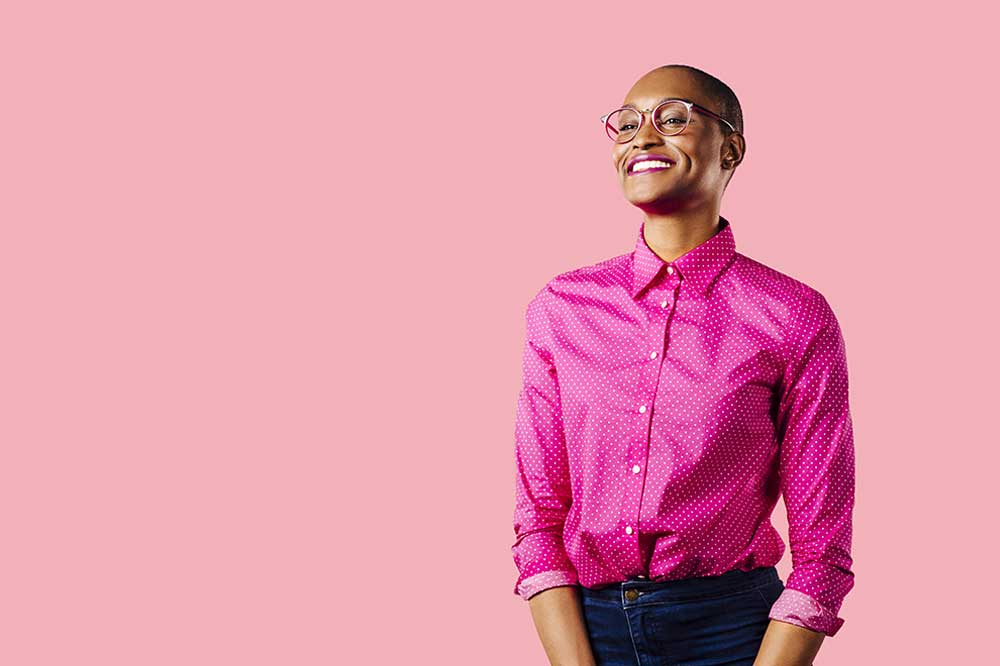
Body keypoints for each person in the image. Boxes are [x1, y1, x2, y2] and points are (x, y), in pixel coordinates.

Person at [510, 64, 855, 666]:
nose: (642, 138)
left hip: (735, 631)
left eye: (672, 119)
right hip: (585, 627)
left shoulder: (794, 314)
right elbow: (539, 514)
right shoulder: (562, 308)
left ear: (731, 148)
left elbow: (823, 542)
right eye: (626, 125)